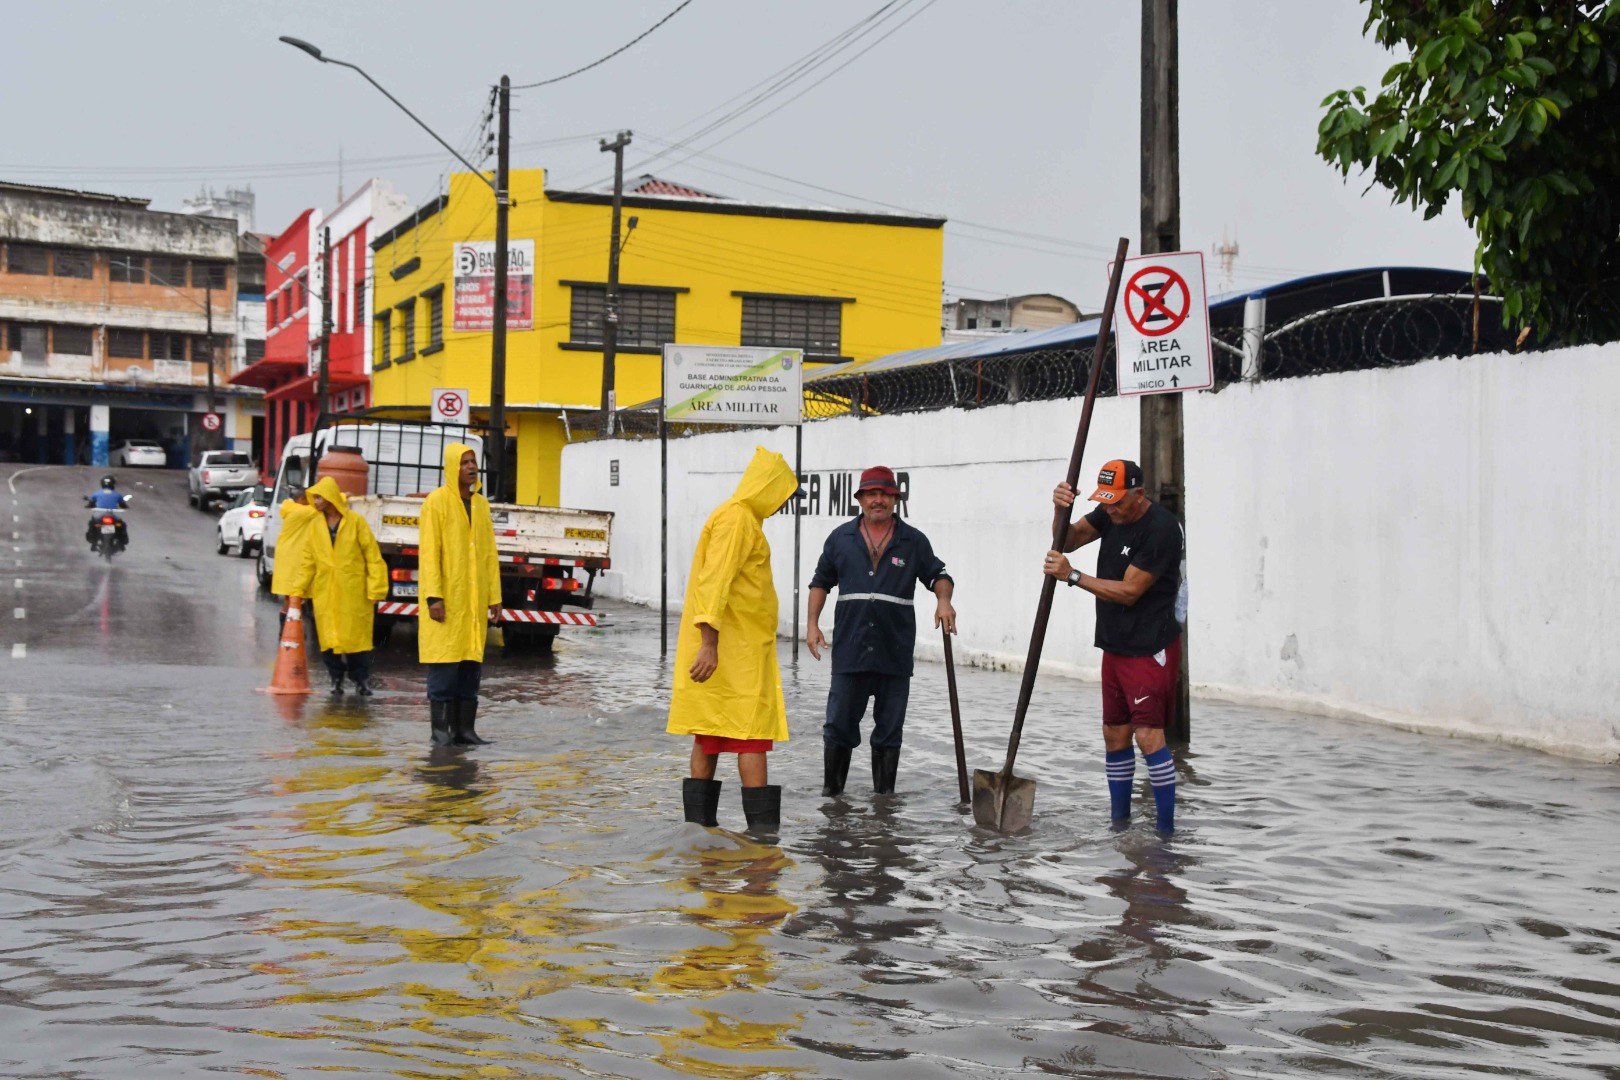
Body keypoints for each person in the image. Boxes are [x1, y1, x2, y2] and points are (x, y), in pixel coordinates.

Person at [1043, 459, 1186, 833]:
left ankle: (1166, 832)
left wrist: (1072, 575)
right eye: (1104, 502)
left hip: (1149, 645)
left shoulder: (1162, 529)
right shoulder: (1110, 513)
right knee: (1114, 732)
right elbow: (1068, 539)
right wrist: (1060, 509)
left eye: (1117, 503)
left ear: (1138, 494)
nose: (1110, 510)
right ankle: (1119, 824)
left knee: (1148, 735)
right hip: (1115, 643)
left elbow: (1129, 592)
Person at [668, 446, 801, 832]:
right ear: (768, 488)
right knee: (752, 737)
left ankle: (698, 835)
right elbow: (715, 582)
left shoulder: (739, 519)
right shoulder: (738, 519)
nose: (781, 505)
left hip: (733, 648)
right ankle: (761, 840)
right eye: (782, 496)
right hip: (733, 652)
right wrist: (709, 642)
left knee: (709, 734)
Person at [807, 465, 955, 796]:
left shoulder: (913, 541)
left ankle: (884, 805)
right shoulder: (840, 539)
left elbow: (939, 575)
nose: (879, 500)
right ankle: (833, 801)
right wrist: (812, 624)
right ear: (860, 498)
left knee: (890, 732)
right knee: (838, 728)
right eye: (872, 494)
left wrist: (943, 601)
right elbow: (821, 582)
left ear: (895, 499)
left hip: (894, 655)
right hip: (850, 653)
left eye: (885, 495)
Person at [418, 442, 501, 748]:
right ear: (453, 467)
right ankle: (440, 732)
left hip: (473, 605)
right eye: (465, 462)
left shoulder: (481, 505)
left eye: (473, 462)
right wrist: (433, 597)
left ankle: (464, 730)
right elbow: (429, 554)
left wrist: (494, 597)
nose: (471, 467)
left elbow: (489, 554)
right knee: (444, 667)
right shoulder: (436, 503)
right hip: (447, 601)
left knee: (469, 668)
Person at [293, 476, 388, 696]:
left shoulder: (355, 522)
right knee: (328, 642)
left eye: (319, 497)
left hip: (354, 592)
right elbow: (308, 560)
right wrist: (298, 590)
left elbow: (372, 556)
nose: (315, 502)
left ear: (330, 497)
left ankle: (360, 680)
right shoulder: (315, 525)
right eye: (314, 497)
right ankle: (336, 679)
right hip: (326, 591)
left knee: (357, 643)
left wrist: (376, 588)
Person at [83, 475, 129, 550]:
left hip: (99, 514)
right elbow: (123, 504)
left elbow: (91, 503)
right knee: (122, 525)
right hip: (113, 514)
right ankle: (121, 543)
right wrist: (126, 507)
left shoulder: (97, 493)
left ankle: (94, 543)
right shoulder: (117, 494)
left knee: (92, 523)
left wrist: (88, 506)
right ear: (113, 484)